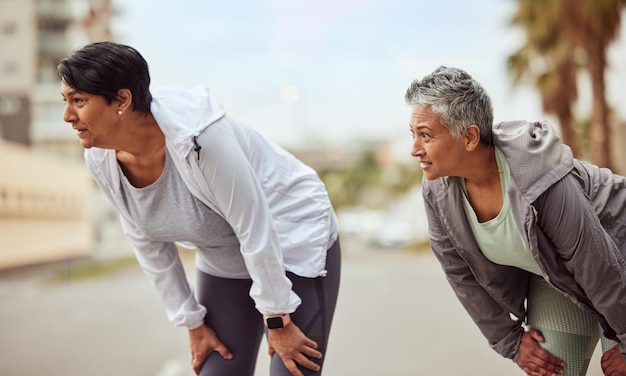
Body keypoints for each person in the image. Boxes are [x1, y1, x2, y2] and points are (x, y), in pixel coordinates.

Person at [57, 41, 341, 376]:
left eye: (79, 101)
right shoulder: (100, 158)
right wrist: (191, 321)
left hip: (290, 238)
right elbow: (145, 240)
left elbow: (255, 226)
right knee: (216, 370)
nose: (67, 116)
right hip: (222, 258)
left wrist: (277, 319)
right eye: (66, 101)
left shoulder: (201, 139)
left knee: (292, 369)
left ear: (122, 100)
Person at [405, 66, 626, 376]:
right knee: (552, 370)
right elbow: (460, 273)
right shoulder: (438, 190)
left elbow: (596, 262)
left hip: (618, 258)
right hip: (558, 279)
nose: (414, 149)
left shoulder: (536, 173)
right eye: (413, 134)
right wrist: (509, 340)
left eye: (425, 135)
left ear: (469, 137)